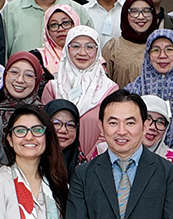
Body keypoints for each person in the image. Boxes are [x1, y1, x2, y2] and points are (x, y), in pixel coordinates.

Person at [42, 24, 118, 159]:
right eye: (76, 46)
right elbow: (45, 126)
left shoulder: (110, 89)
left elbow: (109, 130)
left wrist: (86, 162)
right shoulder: (53, 87)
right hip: (54, 161)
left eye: (89, 47)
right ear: (67, 50)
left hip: (95, 163)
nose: (82, 53)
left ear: (97, 52)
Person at [126, 29, 173, 148]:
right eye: (156, 50)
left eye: (169, 49)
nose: (162, 55)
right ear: (148, 55)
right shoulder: (132, 91)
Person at [102, 0, 158, 87]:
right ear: (125, 14)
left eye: (146, 11)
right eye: (134, 11)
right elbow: (103, 86)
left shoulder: (162, 45)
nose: (141, 17)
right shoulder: (112, 47)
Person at [37, 1, 78, 78]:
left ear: (75, 24)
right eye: (54, 25)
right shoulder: (38, 57)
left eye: (65, 23)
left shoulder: (90, 55)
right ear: (47, 30)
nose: (60, 29)